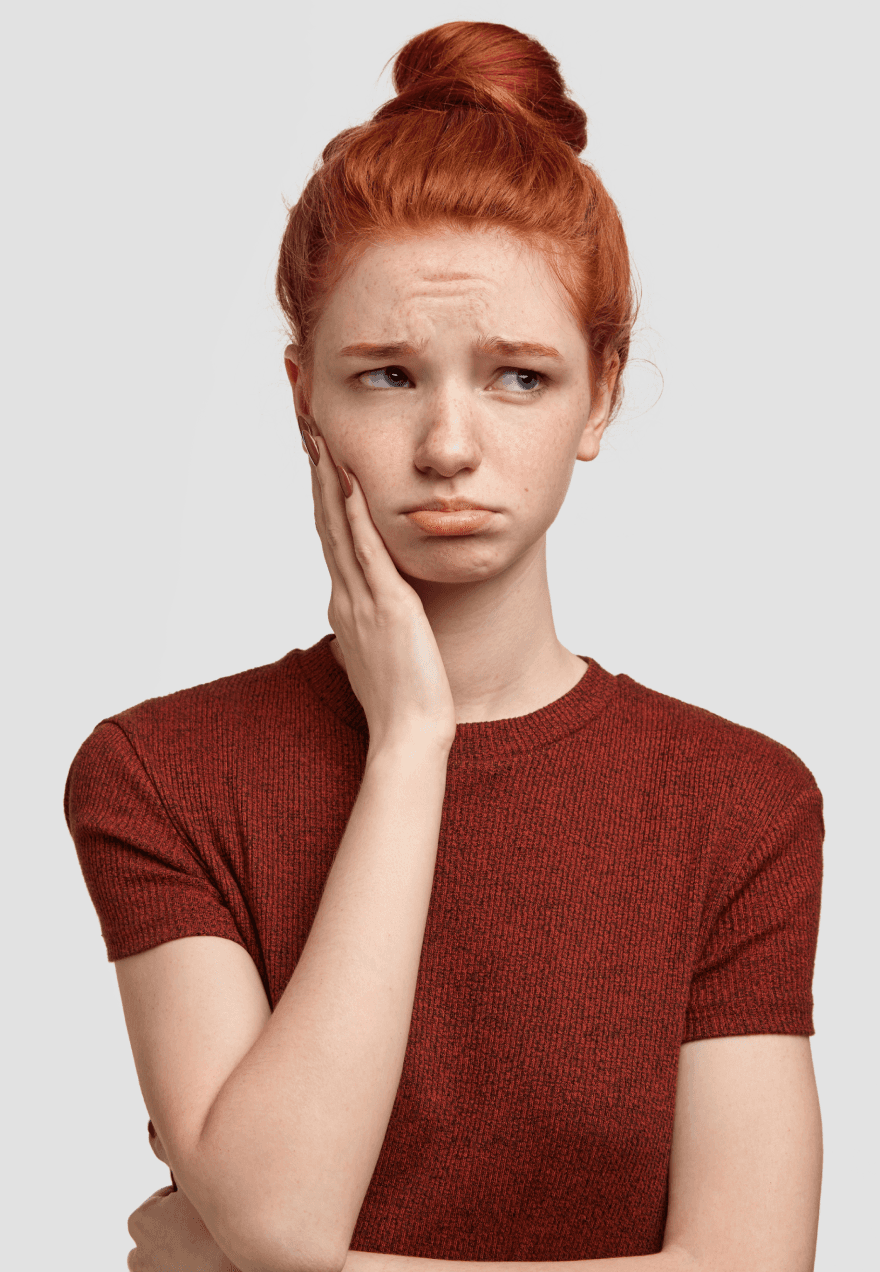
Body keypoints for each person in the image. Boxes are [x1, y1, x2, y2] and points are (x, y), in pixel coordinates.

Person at [65, 20, 824, 1272]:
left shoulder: (740, 805)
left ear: (602, 393)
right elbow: (282, 1212)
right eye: (386, 376)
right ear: (303, 392)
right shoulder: (159, 776)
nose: (450, 446)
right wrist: (412, 739)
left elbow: (749, 1267)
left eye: (519, 377)